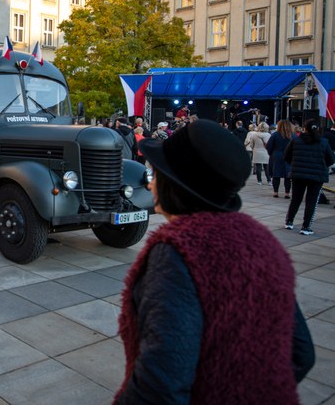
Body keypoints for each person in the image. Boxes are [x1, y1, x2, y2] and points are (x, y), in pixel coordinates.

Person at [115, 120, 315, 403]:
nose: (150, 182)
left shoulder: (178, 253)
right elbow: (302, 353)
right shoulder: (262, 241)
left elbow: (160, 385)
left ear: (175, 184)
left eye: (156, 173)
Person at [284, 119, 335, 235]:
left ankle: (289, 221)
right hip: (317, 176)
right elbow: (331, 159)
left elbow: (287, 156)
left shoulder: (296, 141)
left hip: (298, 174)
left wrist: (296, 163)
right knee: (311, 201)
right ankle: (306, 226)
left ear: (304, 128)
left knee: (295, 199)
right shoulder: (324, 142)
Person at [267, 119, 293, 198]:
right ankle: (287, 193)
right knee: (287, 176)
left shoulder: (275, 135)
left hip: (276, 155)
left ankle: (275, 192)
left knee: (276, 175)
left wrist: (271, 153)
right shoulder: (293, 135)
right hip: (289, 156)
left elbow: (269, 146)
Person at [245, 121, 271, 185]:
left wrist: (254, 149)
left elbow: (251, 144)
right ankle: (269, 180)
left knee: (258, 167)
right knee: (266, 167)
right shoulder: (269, 135)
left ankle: (259, 181)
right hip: (266, 152)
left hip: (257, 152)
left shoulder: (255, 135)